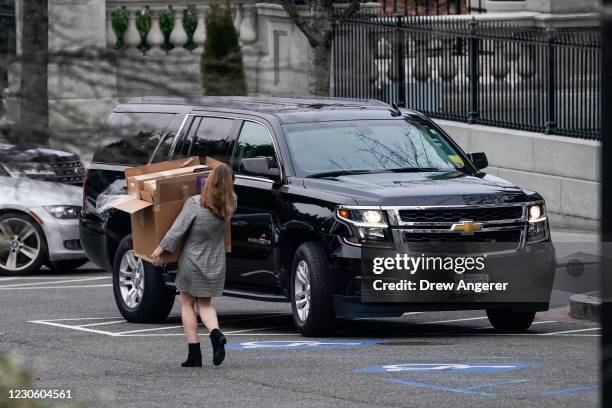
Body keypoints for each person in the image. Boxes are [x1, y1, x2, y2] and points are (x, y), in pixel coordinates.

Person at [150, 165, 236, 368]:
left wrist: (158, 250)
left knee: (187, 303)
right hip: (215, 260)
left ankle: (194, 354)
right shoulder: (231, 202)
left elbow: (176, 231)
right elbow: (225, 193)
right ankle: (216, 333)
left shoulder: (195, 203)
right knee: (205, 304)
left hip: (193, 260)